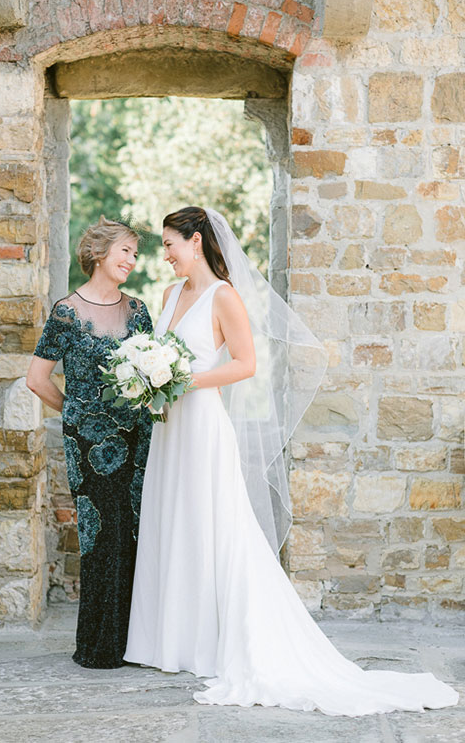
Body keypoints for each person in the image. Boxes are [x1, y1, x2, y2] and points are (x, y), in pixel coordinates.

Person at [124, 206, 458, 715]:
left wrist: (181, 380)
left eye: (170, 244)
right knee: (172, 521)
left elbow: (245, 364)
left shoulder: (224, 296)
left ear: (195, 241)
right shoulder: (169, 295)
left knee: (210, 524)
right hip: (168, 427)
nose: (164, 254)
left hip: (203, 424)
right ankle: (167, 641)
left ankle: (212, 641)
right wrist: (149, 377)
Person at [26, 216, 153, 668]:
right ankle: (98, 646)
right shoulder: (66, 312)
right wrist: (78, 413)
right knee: (99, 536)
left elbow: (153, 374)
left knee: (133, 533)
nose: (132, 262)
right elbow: (37, 380)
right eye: (126, 252)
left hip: (137, 438)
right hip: (88, 444)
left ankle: (134, 641)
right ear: (100, 252)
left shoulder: (138, 311)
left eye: (135, 255)